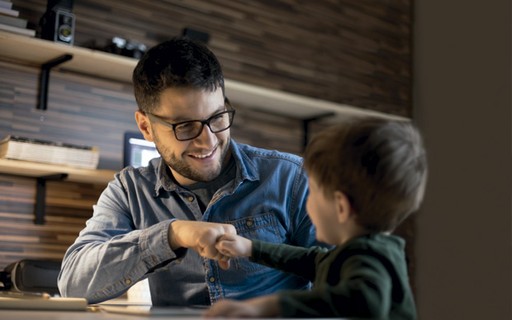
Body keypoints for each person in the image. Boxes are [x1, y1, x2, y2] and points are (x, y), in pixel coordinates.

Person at [57, 37, 319, 306]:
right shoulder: (129, 191)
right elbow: (74, 284)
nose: (207, 142)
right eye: (184, 126)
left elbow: (348, 283)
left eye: (217, 117)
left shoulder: (291, 178)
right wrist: (172, 234)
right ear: (146, 127)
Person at [205, 117, 427, 319]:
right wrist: (251, 248)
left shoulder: (368, 259)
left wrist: (269, 306)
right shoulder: (366, 251)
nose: (307, 202)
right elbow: (312, 261)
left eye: (313, 193)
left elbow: (365, 301)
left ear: (341, 207)